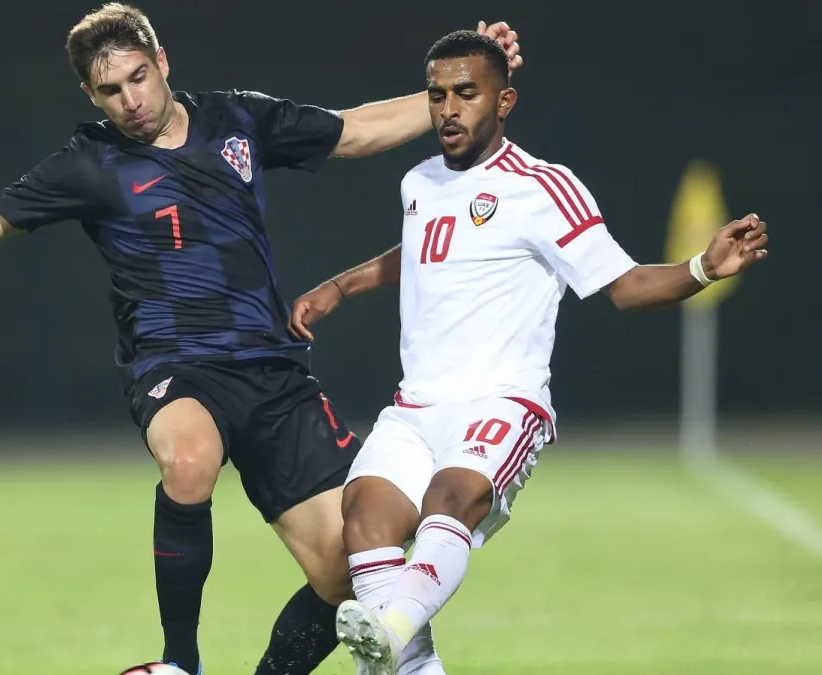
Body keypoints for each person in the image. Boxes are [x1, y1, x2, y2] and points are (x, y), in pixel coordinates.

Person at [0, 5, 523, 674]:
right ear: (90, 95)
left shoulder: (236, 120)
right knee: (188, 460)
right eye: (110, 90)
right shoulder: (89, 164)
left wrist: (463, 91)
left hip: (272, 373)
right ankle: (179, 659)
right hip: (175, 365)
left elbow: (355, 131)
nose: (130, 100)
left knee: (346, 573)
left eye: (138, 78)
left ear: (162, 62)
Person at [287, 29, 769, 675]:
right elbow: (428, 247)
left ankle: (392, 627)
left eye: (466, 94)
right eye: (437, 95)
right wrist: (341, 286)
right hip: (416, 405)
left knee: (449, 500)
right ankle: (397, 646)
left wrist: (702, 268)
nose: (449, 109)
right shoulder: (418, 182)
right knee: (363, 516)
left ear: (504, 101)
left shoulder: (543, 187)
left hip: (502, 401)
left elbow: (624, 286)